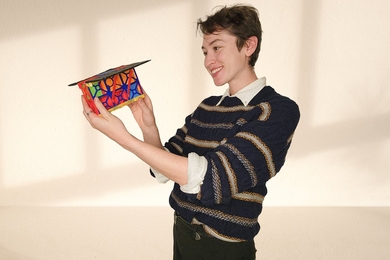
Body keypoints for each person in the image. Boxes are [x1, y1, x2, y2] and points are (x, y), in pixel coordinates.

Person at [82, 4, 300, 260]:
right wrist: (147, 126)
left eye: (217, 47)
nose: (208, 61)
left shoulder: (276, 110)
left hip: (223, 248)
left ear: (249, 46)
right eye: (205, 51)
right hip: (182, 235)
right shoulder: (207, 107)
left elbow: (211, 179)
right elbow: (165, 169)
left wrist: (125, 140)